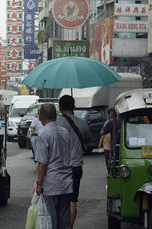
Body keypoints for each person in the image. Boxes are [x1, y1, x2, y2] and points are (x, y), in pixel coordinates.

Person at [56, 95, 91, 229]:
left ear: (59, 108)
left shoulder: (56, 123)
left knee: (58, 198)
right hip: (76, 165)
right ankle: (69, 227)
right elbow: (87, 140)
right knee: (72, 199)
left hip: (59, 166)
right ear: (74, 107)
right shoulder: (82, 123)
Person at [36, 103, 72, 229]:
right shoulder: (64, 132)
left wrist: (39, 183)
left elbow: (42, 163)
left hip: (51, 184)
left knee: (51, 221)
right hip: (66, 182)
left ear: (40, 116)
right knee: (64, 221)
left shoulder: (43, 134)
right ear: (56, 115)